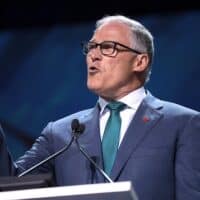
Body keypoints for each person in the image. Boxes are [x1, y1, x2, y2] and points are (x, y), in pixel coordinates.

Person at [13, 15, 200, 199]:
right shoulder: (60, 134)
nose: (93, 55)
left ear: (140, 61)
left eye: (107, 47)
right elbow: (11, 183)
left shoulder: (184, 124)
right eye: (91, 47)